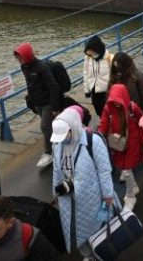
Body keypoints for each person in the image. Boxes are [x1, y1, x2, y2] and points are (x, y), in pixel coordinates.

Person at [51, 108, 118, 258]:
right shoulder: (57, 146)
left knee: (98, 228)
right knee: (76, 231)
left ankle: (101, 254)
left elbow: (104, 170)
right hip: (69, 199)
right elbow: (56, 170)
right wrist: (55, 192)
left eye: (64, 134)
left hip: (92, 197)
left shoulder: (93, 141)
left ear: (73, 128)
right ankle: (88, 255)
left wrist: (107, 194)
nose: (62, 139)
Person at [98, 84, 143, 211]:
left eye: (118, 101)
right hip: (118, 144)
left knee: (126, 169)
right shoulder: (108, 109)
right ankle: (133, 187)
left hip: (132, 142)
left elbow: (142, 123)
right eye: (113, 101)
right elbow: (103, 124)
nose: (116, 103)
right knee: (123, 167)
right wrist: (97, 137)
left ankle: (131, 195)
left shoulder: (132, 107)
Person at [14, 42, 61, 168]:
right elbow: (31, 83)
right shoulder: (24, 67)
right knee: (50, 125)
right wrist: (29, 96)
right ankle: (58, 143)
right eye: (18, 58)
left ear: (27, 56)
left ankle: (49, 153)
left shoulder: (42, 67)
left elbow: (53, 86)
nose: (19, 60)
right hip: (37, 102)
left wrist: (55, 107)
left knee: (45, 126)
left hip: (48, 102)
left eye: (21, 57)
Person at [83, 35, 113, 117]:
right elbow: (86, 73)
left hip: (106, 91)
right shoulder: (88, 58)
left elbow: (115, 75)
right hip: (94, 90)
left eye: (91, 53)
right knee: (98, 111)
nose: (90, 55)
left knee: (107, 111)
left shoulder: (110, 58)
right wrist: (86, 90)